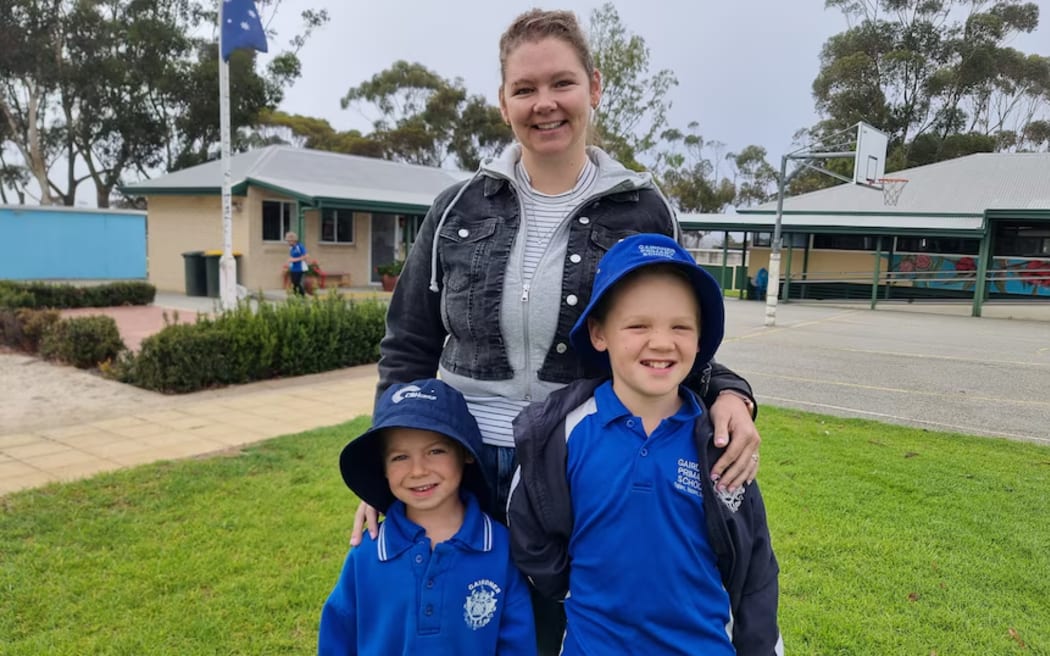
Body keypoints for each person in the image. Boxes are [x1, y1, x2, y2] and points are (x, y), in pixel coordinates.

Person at [352, 8, 762, 653]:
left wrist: (731, 392)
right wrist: (384, 469)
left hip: (577, 460)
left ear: (594, 87)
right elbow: (407, 345)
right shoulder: (456, 207)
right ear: (504, 100)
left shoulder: (643, 208)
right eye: (525, 89)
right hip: (460, 461)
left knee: (561, 628)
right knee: (459, 630)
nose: (545, 104)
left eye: (562, 84)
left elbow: (679, 331)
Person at [508, 233, 782, 655]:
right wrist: (569, 589)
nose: (660, 342)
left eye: (680, 326)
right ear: (599, 333)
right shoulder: (561, 432)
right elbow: (528, 523)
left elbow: (755, 566)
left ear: (700, 336)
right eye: (638, 325)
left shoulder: (721, 444)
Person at [319, 378, 536, 656]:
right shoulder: (367, 552)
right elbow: (337, 638)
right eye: (400, 457)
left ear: (465, 453)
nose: (418, 470)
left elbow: (516, 643)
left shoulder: (499, 547)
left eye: (435, 451)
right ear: (383, 467)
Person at [286, 231, 308, 295]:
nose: (288, 242)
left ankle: (303, 297)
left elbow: (306, 256)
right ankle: (297, 298)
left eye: (289, 241)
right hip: (293, 268)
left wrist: (294, 260)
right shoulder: (291, 248)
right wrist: (290, 262)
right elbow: (292, 258)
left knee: (297, 283)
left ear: (293, 240)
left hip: (300, 268)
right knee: (293, 285)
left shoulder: (300, 246)